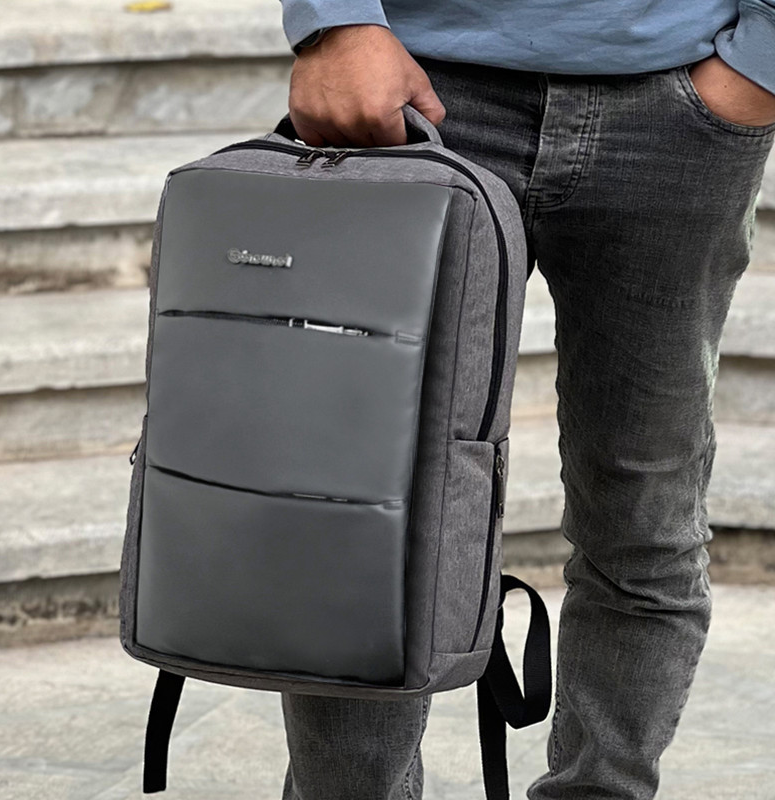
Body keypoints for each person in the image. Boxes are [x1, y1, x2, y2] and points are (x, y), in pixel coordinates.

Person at [275, 3, 775, 798]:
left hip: (682, 107)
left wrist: (762, 62)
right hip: (416, 91)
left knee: (644, 517)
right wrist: (335, 22)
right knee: (356, 511)